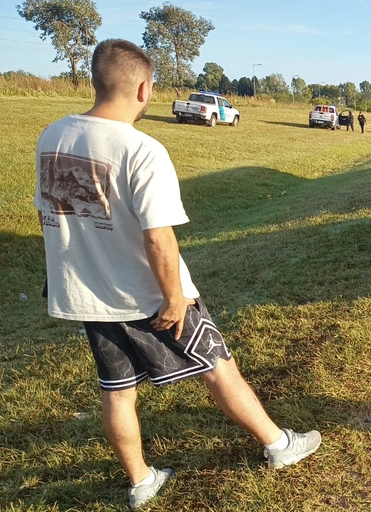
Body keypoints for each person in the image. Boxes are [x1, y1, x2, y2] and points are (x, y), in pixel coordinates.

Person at [33, 39, 321, 510]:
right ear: (144, 89)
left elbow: (53, 215)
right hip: (148, 294)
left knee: (117, 393)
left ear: (96, 81)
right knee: (219, 367)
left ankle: (141, 481)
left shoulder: (52, 137)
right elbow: (158, 239)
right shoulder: (141, 149)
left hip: (88, 296)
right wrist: (173, 298)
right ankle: (279, 444)